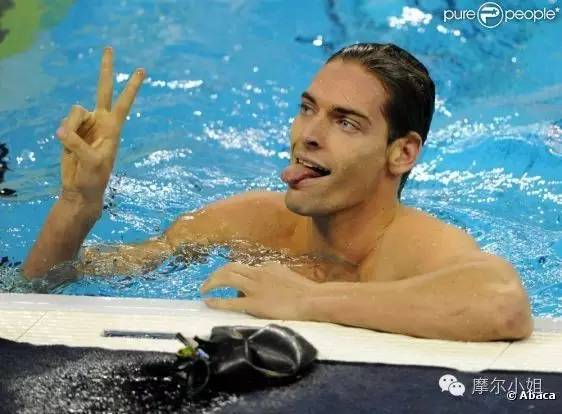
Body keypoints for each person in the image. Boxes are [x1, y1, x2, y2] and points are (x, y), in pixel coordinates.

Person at [22, 43, 533, 342]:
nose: (308, 134)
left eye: (345, 122)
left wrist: (310, 301)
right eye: (308, 108)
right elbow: (46, 285)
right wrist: (77, 205)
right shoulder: (244, 221)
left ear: (401, 153)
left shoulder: (416, 247)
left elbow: (504, 305)